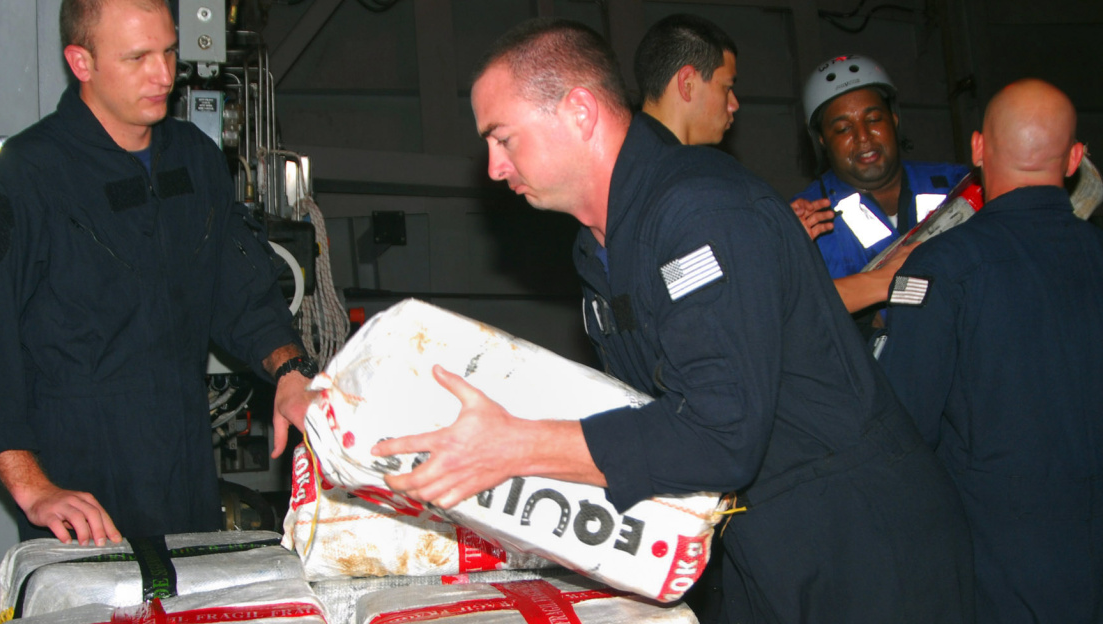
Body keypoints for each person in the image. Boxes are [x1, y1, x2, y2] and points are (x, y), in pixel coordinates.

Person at [373, 19, 972, 622]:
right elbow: (648, 412)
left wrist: (517, 447)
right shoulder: (599, 246)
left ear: (579, 111)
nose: (494, 168)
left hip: (859, 543)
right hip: (760, 538)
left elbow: (719, 432)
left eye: (503, 138)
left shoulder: (697, 210)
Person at [0, 0, 317, 546]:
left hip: (185, 466)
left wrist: (289, 370)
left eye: (168, 53)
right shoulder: (22, 180)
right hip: (81, 489)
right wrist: (34, 489)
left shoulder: (196, 160)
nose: (163, 76)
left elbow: (241, 289)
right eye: (137, 58)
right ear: (81, 62)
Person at [878, 79, 1101, 623]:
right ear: (1074, 159)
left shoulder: (943, 267)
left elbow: (902, 428)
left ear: (978, 148)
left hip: (1001, 570)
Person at [791, 55, 969, 328]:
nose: (863, 137)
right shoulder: (801, 224)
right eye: (843, 128)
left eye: (873, 119)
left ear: (894, 119)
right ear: (823, 140)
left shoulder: (959, 184)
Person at [634, 14, 738, 146]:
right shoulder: (710, 165)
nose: (734, 105)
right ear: (687, 84)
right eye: (727, 88)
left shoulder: (622, 160)